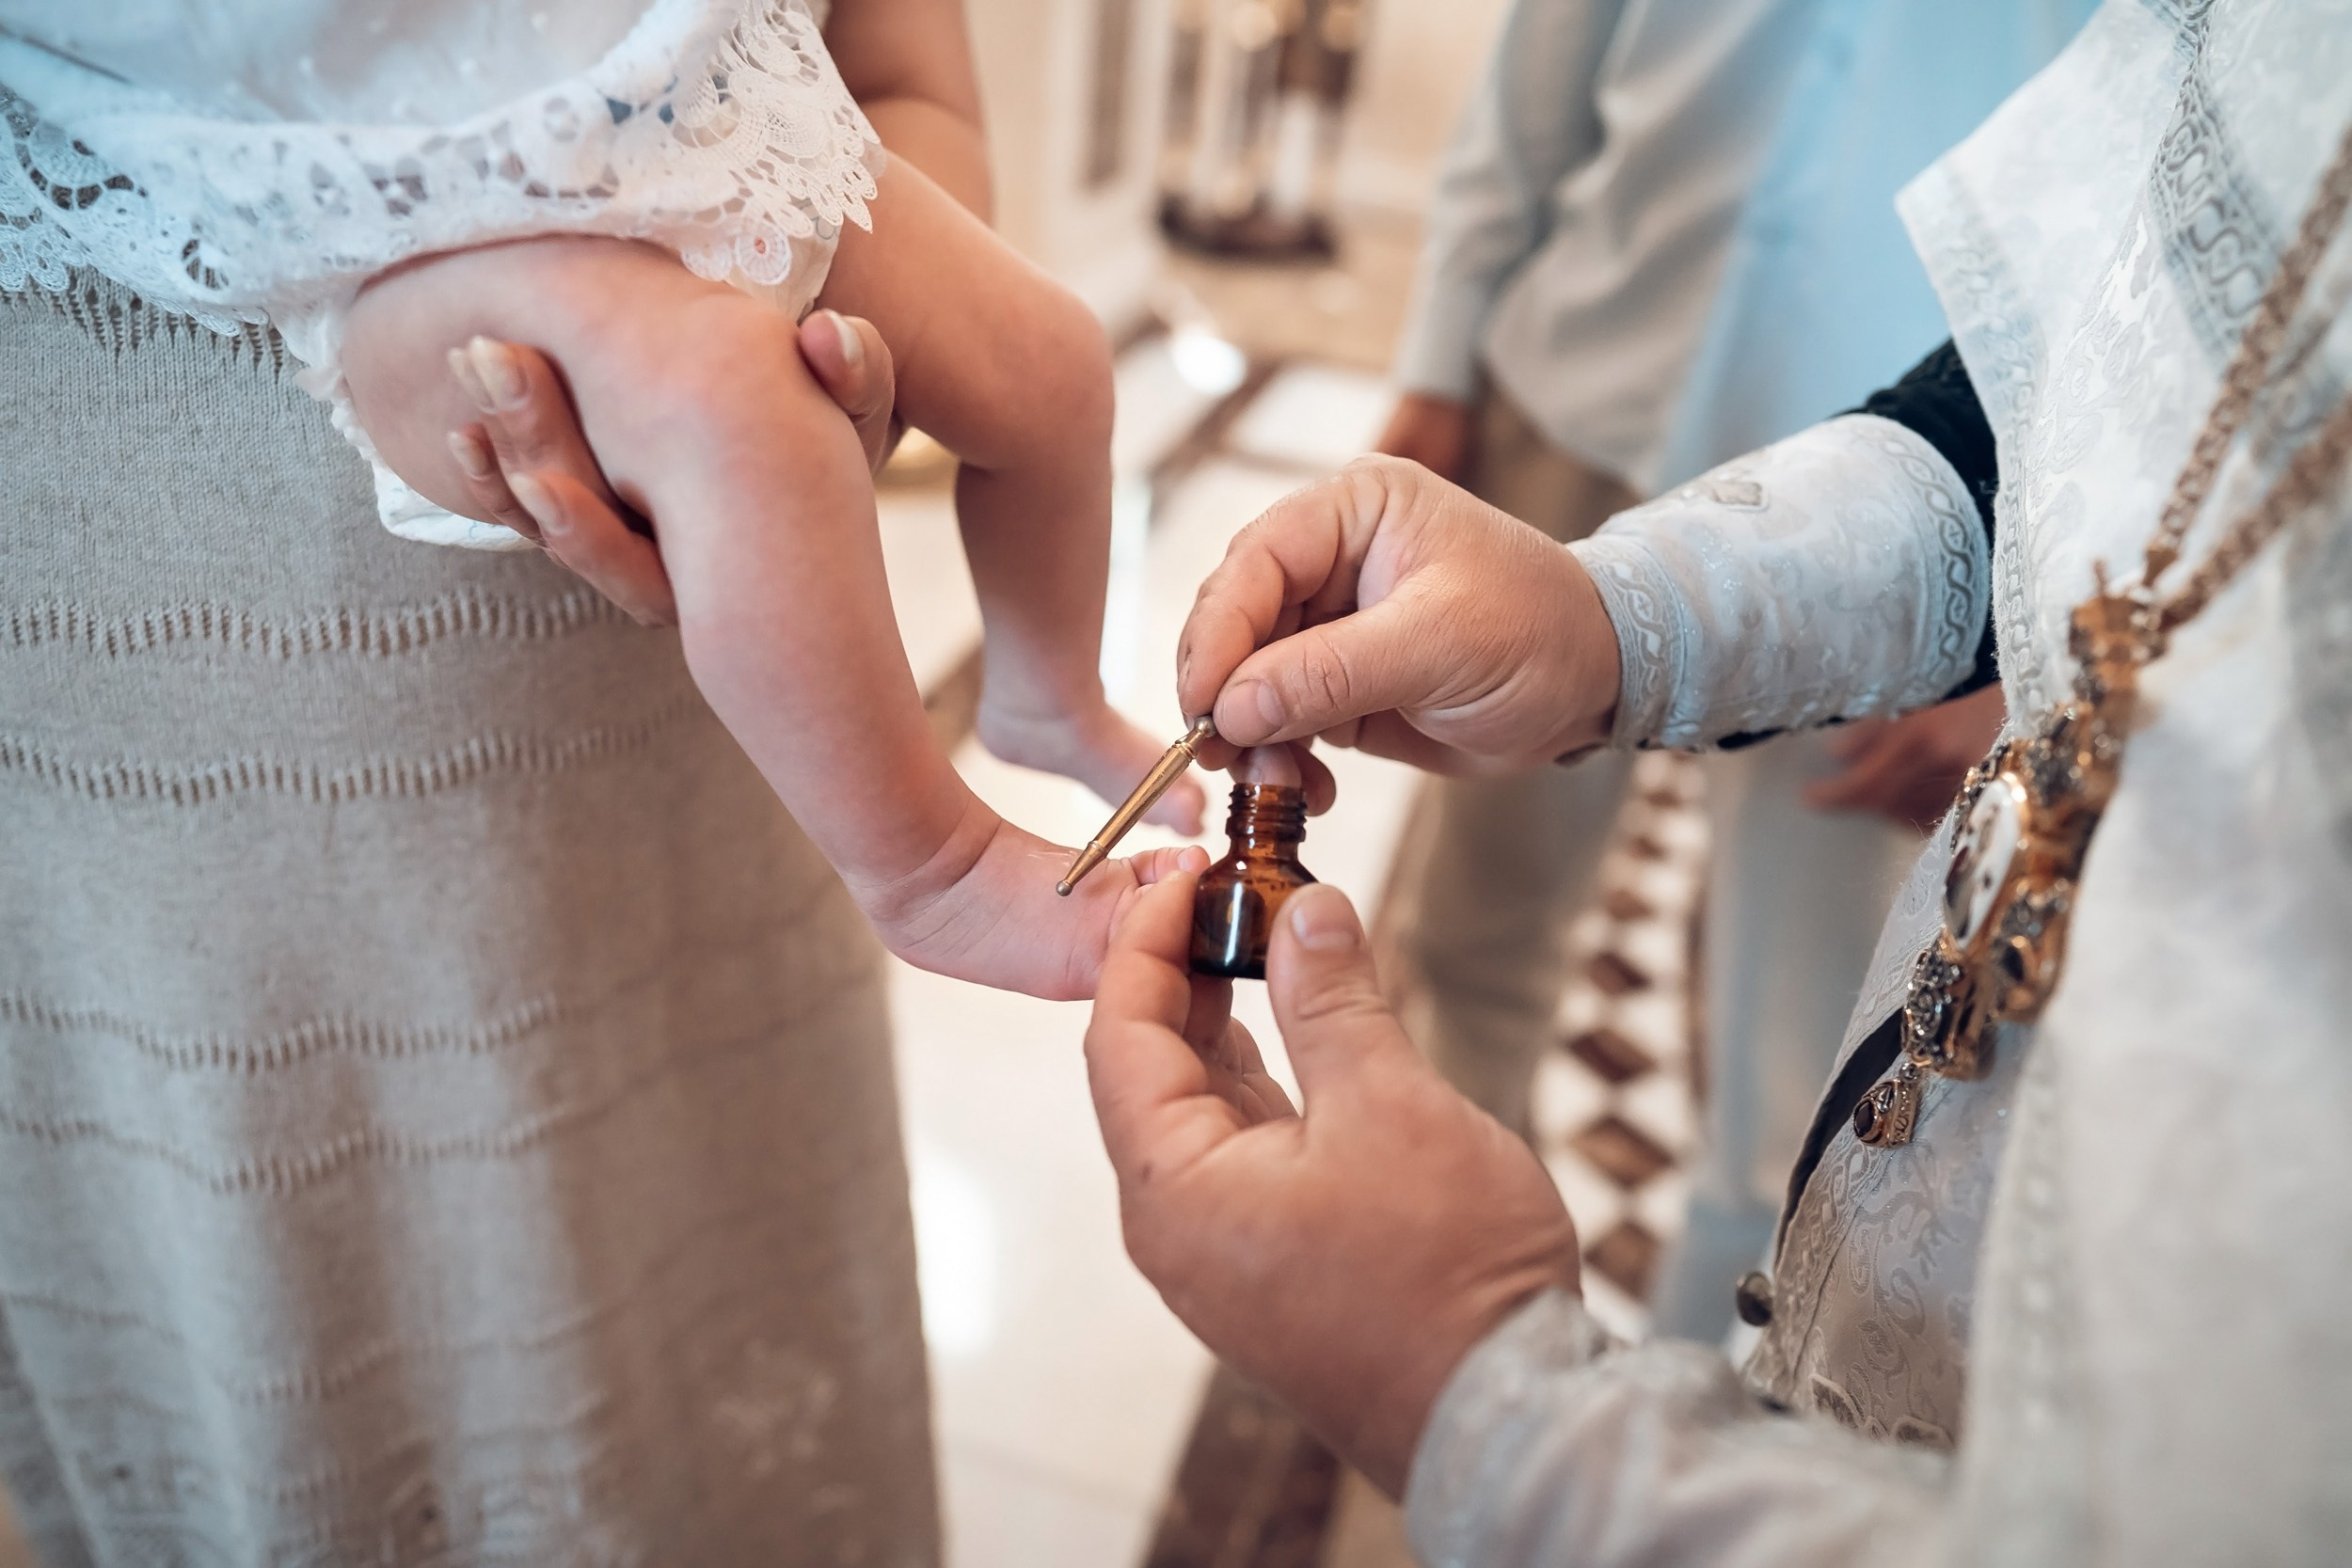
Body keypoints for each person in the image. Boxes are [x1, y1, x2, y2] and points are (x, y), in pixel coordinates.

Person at [1096, 0, 2352, 1557]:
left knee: (1771, 1062)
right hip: (1622, 388)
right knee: (1490, 955)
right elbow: (2096, 368)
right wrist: (1620, 619)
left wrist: (1487, 1400)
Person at [0, 1, 1200, 1560]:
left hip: (691, 100)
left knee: (1053, 358)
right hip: (392, 187)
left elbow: (913, 79)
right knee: (721, 410)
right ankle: (932, 870)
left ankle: (1047, 696)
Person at [1375, 0, 2080, 1338]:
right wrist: (1439, 364)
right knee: (1476, 934)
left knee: (1801, 1057)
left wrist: (2009, 636)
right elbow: (1533, 90)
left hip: (1899, 523)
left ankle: (1703, 1436)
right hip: (1578, 405)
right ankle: (1451, 1340)